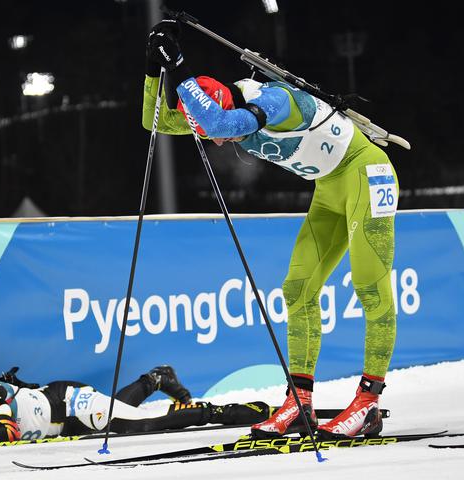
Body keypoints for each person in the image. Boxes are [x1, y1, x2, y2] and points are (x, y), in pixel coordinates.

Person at [143, 19, 399, 440]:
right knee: (297, 291)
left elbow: (223, 126)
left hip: (367, 173)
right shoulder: (222, 114)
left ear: (224, 107)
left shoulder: (277, 101)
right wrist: (156, 67)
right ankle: (299, 405)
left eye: (210, 129)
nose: (216, 142)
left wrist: (181, 65)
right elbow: (155, 122)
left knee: (371, 287)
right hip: (330, 187)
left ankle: (368, 404)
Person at [0, 365, 270, 457]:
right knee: (124, 415)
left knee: (141, 425)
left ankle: (228, 411)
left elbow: (7, 431)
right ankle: (157, 378)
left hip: (65, 402)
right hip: (62, 426)